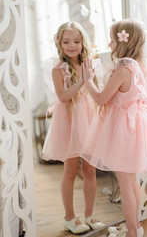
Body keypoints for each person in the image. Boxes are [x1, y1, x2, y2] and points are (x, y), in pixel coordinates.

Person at [81, 18, 147, 237]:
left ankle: (131, 231)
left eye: (112, 40)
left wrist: (88, 79)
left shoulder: (123, 70)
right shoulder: (141, 67)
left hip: (126, 130)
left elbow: (102, 99)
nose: (110, 44)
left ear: (123, 41)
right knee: (131, 181)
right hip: (137, 127)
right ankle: (135, 227)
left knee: (126, 181)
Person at [42, 21, 105, 234]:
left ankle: (89, 214)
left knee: (89, 169)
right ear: (59, 42)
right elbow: (62, 97)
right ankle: (69, 217)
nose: (72, 46)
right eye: (67, 41)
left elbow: (96, 93)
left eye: (76, 41)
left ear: (82, 42)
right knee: (70, 171)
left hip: (88, 120)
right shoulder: (57, 69)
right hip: (69, 121)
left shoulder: (90, 65)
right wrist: (82, 81)